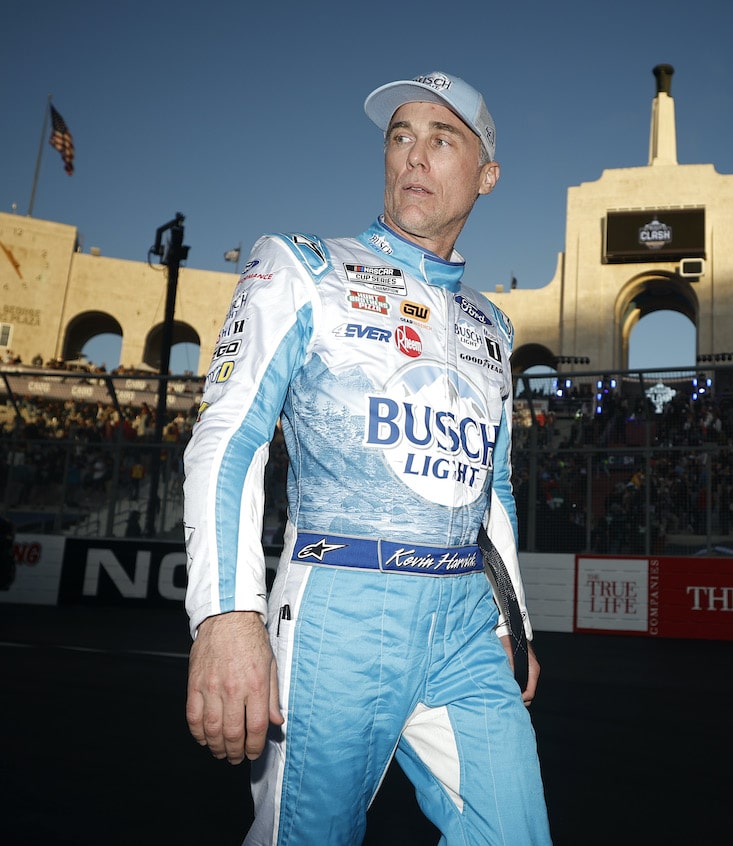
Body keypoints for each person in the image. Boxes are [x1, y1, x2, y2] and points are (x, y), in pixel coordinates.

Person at [181, 71, 551, 845]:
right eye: (401, 136)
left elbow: (498, 489)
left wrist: (511, 620)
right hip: (338, 612)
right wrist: (224, 615)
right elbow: (228, 437)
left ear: (486, 175)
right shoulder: (301, 265)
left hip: (465, 625)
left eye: (442, 139)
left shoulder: (494, 324)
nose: (415, 155)